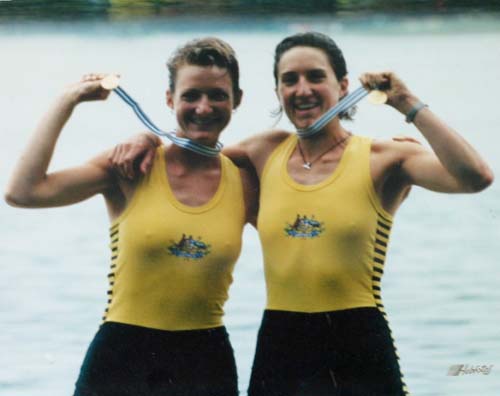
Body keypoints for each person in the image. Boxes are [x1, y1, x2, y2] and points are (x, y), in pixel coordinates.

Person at [111, 32, 493, 396]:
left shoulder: (385, 158)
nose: (302, 89)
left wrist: (408, 103)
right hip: (281, 345)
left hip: (358, 340)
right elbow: (194, 157)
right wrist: (148, 137)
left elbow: (475, 177)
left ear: (343, 86)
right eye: (289, 80)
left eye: (316, 77)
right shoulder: (264, 152)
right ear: (278, 91)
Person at [4, 37, 258, 396]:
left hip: (205, 362)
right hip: (122, 358)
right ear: (170, 100)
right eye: (190, 95)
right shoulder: (131, 167)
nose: (204, 107)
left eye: (217, 95)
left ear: (237, 100)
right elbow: (23, 192)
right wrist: (68, 100)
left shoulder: (245, 180)